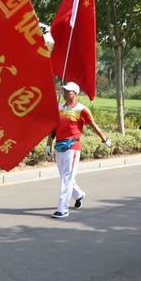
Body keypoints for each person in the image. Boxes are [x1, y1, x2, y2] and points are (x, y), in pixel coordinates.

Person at [46, 82, 111, 219]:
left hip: (73, 147)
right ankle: (79, 195)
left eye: (68, 91)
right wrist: (48, 144)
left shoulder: (82, 109)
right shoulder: (59, 108)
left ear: (75, 93)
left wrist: (104, 139)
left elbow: (93, 125)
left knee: (67, 178)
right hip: (59, 146)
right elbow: (53, 128)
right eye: (64, 91)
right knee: (65, 177)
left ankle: (62, 208)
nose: (65, 93)